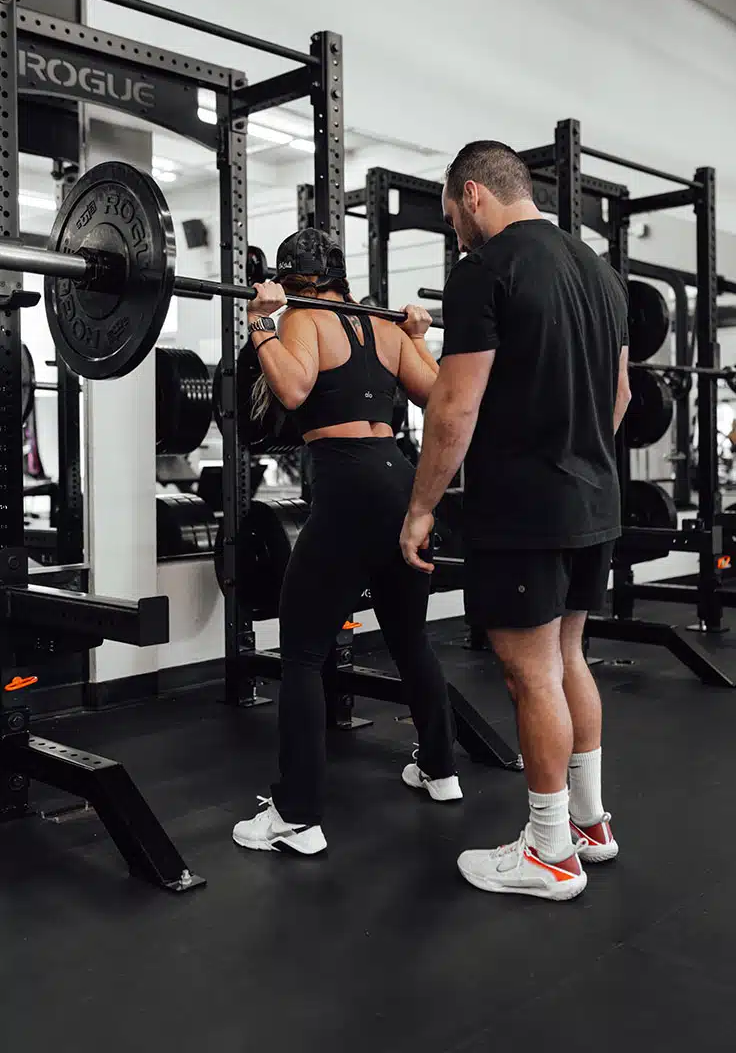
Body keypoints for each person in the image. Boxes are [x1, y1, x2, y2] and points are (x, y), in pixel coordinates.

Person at [400, 142, 630, 902]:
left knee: (528, 672)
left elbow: (455, 407)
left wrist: (423, 506)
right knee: (568, 655)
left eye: (449, 214)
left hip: (525, 511)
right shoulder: (599, 270)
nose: (455, 231)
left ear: (472, 195)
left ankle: (548, 852)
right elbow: (621, 398)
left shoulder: (486, 269)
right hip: (593, 501)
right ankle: (589, 825)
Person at [233, 228, 462, 857]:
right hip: (401, 484)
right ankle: (440, 770)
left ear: (292, 278)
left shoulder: (304, 317)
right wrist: (417, 339)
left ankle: (296, 816)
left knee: (303, 653)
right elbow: (441, 394)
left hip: (347, 487)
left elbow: (293, 389)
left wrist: (262, 323)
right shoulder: (381, 325)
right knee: (409, 636)